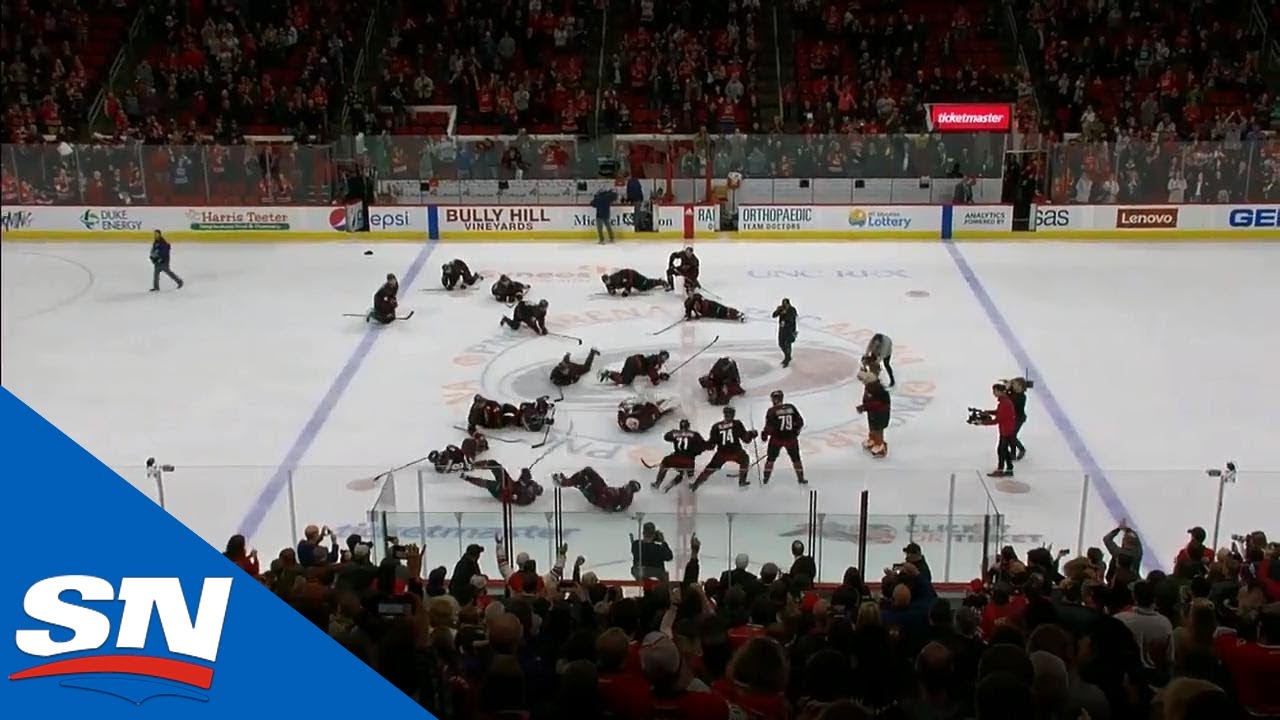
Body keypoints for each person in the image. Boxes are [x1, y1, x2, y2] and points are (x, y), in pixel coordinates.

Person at [691, 406, 758, 490]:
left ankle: (696, 484)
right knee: (745, 459)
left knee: (709, 469)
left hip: (721, 455)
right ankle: (742, 481)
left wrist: (701, 445)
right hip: (736, 453)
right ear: (733, 415)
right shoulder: (737, 424)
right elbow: (746, 440)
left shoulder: (716, 427)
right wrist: (752, 434)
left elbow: (711, 445)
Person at [761, 389, 806, 485]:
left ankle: (765, 479)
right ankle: (801, 478)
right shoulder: (791, 407)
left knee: (770, 459)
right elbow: (800, 422)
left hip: (776, 440)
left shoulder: (772, 411)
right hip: (791, 439)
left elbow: (769, 427)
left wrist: (764, 435)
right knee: (796, 459)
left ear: (773, 399)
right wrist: (795, 432)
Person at [553, 467, 641, 512]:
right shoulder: (624, 491)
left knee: (582, 481)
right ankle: (568, 481)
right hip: (602, 489)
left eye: (629, 486)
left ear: (631, 490)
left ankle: (565, 483)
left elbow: (614, 508)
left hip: (597, 497)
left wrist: (598, 499)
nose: (626, 485)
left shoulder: (625, 500)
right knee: (588, 471)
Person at [652, 418, 706, 491]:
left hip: (674, 459)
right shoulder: (695, 434)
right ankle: (686, 485)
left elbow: (666, 437)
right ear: (689, 426)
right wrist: (694, 453)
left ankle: (657, 483)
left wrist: (675, 433)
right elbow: (702, 446)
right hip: (688, 461)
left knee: (665, 462)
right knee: (685, 474)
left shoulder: (675, 432)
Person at [461, 460, 542, 506]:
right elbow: (522, 481)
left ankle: (467, 478)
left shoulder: (526, 500)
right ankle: (472, 466)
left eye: (532, 490)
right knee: (496, 466)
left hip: (502, 492)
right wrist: (525, 473)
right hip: (509, 482)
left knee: (490, 484)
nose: (531, 487)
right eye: (533, 486)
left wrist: (517, 486)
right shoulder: (530, 484)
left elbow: (512, 496)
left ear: (532, 494)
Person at [979, 381, 1017, 477]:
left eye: (995, 391)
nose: (993, 393)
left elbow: (998, 419)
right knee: (1003, 450)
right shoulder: (1004, 402)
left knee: (1001, 450)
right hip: (1006, 430)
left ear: (1000, 391)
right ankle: (1009, 468)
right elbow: (999, 413)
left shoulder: (1005, 403)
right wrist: (988, 412)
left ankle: (1001, 469)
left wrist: (983, 422)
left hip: (1007, 431)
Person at [856, 363, 891, 458]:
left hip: (880, 413)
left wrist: (864, 407)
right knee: (872, 426)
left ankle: (880, 445)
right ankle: (873, 439)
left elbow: (876, 404)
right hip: (873, 412)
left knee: (878, 429)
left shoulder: (878, 390)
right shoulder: (869, 387)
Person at [600, 350, 670, 386]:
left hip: (634, 364)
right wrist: (656, 380)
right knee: (625, 380)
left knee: (625, 378)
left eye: (665, 359)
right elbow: (651, 370)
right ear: (660, 356)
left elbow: (652, 371)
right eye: (663, 358)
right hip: (634, 363)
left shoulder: (656, 361)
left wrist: (660, 377)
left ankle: (610, 373)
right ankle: (609, 374)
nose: (663, 360)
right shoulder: (654, 360)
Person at [602, 268, 666, 296]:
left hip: (632, 275)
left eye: (607, 280)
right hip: (628, 276)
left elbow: (629, 282)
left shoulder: (617, 279)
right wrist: (611, 291)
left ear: (609, 278)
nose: (607, 282)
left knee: (644, 285)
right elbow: (611, 291)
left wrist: (627, 290)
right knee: (641, 288)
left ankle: (660, 282)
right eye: (606, 282)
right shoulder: (608, 284)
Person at [772, 298, 798, 367]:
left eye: (786, 304)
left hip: (790, 330)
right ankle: (787, 356)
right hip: (782, 330)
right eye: (783, 304)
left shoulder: (792, 310)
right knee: (781, 343)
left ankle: (787, 358)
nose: (785, 305)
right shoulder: (781, 309)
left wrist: (785, 319)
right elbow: (774, 315)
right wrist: (778, 310)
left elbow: (792, 320)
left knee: (787, 344)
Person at [1008, 376, 1029, 460]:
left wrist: (1007, 389)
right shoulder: (1013, 393)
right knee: (1010, 436)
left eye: (1015, 384)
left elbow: (1012, 402)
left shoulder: (1021, 396)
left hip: (1019, 418)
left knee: (1011, 435)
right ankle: (1013, 454)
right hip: (1013, 418)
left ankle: (1021, 449)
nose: (1013, 386)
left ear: (1020, 386)